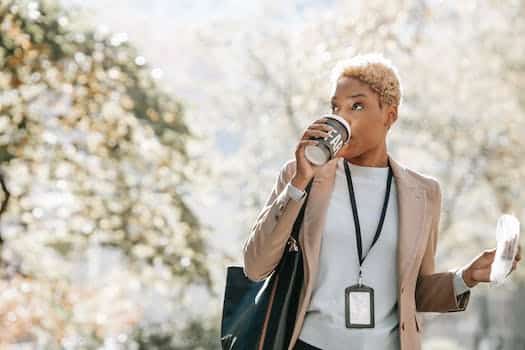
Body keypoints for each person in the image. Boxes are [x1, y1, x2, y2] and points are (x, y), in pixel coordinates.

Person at [242, 53, 522, 350]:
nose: (343, 116)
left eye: (357, 106)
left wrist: (466, 277)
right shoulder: (302, 176)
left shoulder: (424, 193)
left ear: (389, 116)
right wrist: (298, 182)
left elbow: (417, 292)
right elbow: (255, 266)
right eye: (336, 107)